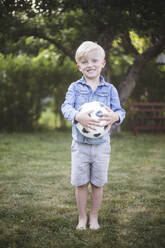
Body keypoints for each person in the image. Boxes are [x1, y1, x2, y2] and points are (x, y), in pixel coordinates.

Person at [61, 41, 125, 230]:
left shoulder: (110, 90)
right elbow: (66, 107)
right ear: (78, 66)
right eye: (84, 61)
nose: (90, 65)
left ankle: (94, 217)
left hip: (101, 146)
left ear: (103, 63)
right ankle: (82, 218)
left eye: (94, 60)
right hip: (80, 145)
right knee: (81, 184)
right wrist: (76, 115)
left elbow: (120, 111)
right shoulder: (74, 88)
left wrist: (115, 117)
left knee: (98, 183)